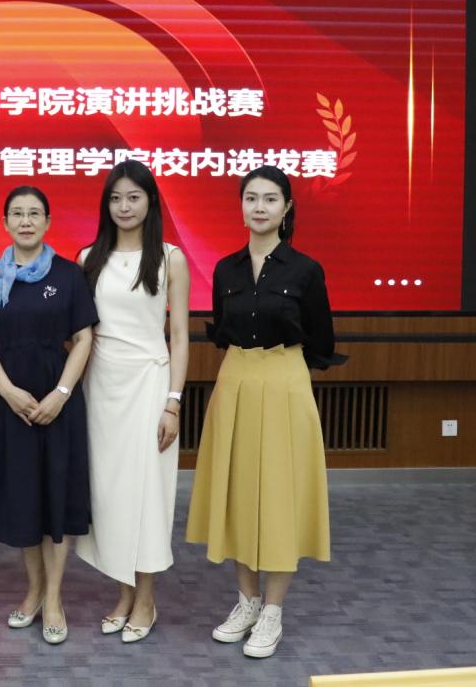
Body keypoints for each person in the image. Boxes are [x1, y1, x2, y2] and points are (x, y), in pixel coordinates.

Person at [185, 164, 344, 658]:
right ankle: (246, 601)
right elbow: (222, 329)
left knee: (279, 496)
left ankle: (273, 610)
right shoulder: (225, 269)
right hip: (235, 380)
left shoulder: (306, 270)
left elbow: (321, 341)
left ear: (287, 207)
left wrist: (281, 372)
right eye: (251, 198)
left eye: (270, 199)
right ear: (241, 206)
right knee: (236, 492)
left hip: (285, 381)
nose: (259, 207)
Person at [0, 185, 98, 645]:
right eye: (17, 214)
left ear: (47, 222)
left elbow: (83, 338)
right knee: (24, 500)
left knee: (56, 501)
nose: (25, 221)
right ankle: (34, 590)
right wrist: (6, 390)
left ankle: (55, 597)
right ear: (5, 222)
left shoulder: (69, 274)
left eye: (34, 213)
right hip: (12, 405)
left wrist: (62, 392)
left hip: (59, 403)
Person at [74, 161, 190, 643]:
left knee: (147, 497)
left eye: (133, 197)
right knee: (110, 497)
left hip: (149, 384)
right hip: (100, 389)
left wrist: (173, 403)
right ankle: (123, 593)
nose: (124, 206)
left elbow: (179, 335)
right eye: (116, 198)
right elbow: (80, 332)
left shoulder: (170, 258)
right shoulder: (88, 257)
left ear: (150, 202)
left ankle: (146, 599)